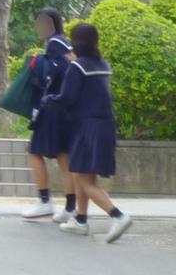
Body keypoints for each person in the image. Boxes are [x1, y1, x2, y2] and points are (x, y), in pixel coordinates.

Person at [44, 22, 132, 243]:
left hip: (87, 128)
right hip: (105, 126)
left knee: (84, 180)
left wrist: (48, 100)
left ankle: (118, 216)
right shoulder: (101, 64)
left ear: (75, 42)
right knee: (81, 173)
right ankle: (80, 221)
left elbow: (67, 98)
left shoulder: (77, 67)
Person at [21, 8, 77, 223]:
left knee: (34, 152)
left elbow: (61, 71)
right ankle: (70, 207)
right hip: (66, 108)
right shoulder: (65, 42)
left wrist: (42, 69)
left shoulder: (54, 44)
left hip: (52, 107)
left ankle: (44, 201)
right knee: (64, 157)